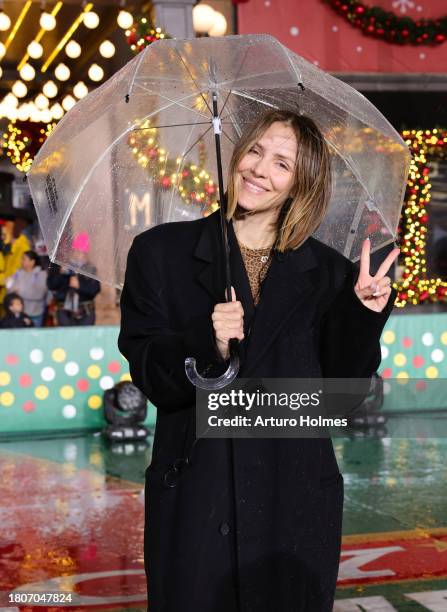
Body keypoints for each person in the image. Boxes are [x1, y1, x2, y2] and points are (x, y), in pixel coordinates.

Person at [118, 110, 399, 612]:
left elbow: (342, 398)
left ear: (300, 185)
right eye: (254, 151)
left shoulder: (331, 276)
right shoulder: (159, 253)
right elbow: (148, 369)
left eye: (282, 164)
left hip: (292, 504)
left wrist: (361, 316)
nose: (258, 169)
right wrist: (207, 343)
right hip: (197, 502)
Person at [47, 232, 101, 326]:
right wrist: (60, 273)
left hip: (85, 312)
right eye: (76, 251)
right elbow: (51, 285)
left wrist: (80, 285)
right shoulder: (61, 266)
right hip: (64, 311)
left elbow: (95, 290)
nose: (79, 254)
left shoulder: (91, 269)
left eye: (82, 252)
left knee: (85, 338)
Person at [6, 250, 48, 327]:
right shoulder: (19, 272)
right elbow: (10, 289)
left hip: (34, 313)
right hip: (20, 314)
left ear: (32, 262)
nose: (21, 261)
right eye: (22, 258)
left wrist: (20, 291)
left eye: (24, 259)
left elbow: (39, 294)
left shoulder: (41, 274)